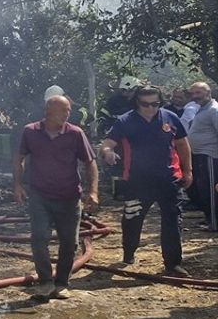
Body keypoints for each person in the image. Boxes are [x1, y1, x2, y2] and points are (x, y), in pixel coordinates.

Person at [99, 86, 194, 276]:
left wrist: (188, 171)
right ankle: (129, 251)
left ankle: (172, 263)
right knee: (133, 219)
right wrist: (108, 153)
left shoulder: (170, 118)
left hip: (169, 179)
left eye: (155, 104)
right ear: (137, 103)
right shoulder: (125, 121)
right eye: (145, 104)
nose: (150, 108)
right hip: (137, 181)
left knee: (173, 220)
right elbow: (107, 144)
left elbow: (182, 144)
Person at [13, 95, 99, 300]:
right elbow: (19, 158)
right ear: (48, 111)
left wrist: (93, 191)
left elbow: (90, 163)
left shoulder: (75, 133)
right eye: (63, 110)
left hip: (69, 197)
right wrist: (17, 184)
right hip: (40, 195)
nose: (67, 114)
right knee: (39, 238)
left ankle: (61, 283)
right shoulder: (30, 132)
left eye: (69, 110)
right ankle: (45, 281)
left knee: (70, 242)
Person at [184, 82, 218, 227]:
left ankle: (215, 223)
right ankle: (210, 218)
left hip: (209, 155)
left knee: (210, 191)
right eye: (192, 93)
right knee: (202, 190)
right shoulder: (201, 109)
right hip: (198, 155)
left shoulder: (214, 110)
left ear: (208, 93)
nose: (194, 96)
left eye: (198, 93)